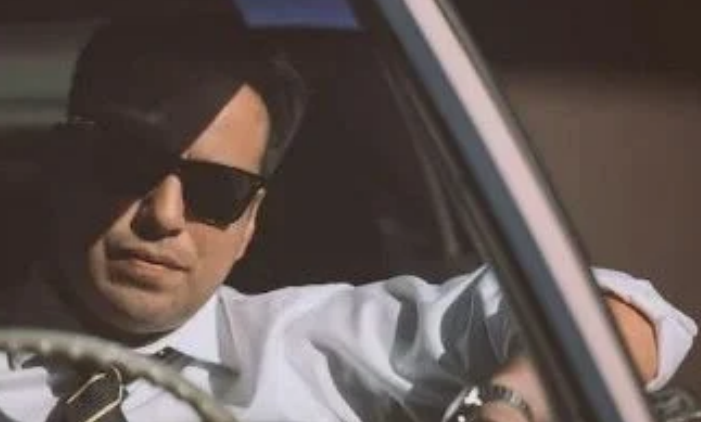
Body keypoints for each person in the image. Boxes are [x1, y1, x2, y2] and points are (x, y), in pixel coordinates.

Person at [0, 12, 696, 422]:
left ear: (249, 223)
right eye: (128, 166)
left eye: (216, 191)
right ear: (65, 165)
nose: (165, 214)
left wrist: (505, 406)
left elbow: (616, 314)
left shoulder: (311, 342)